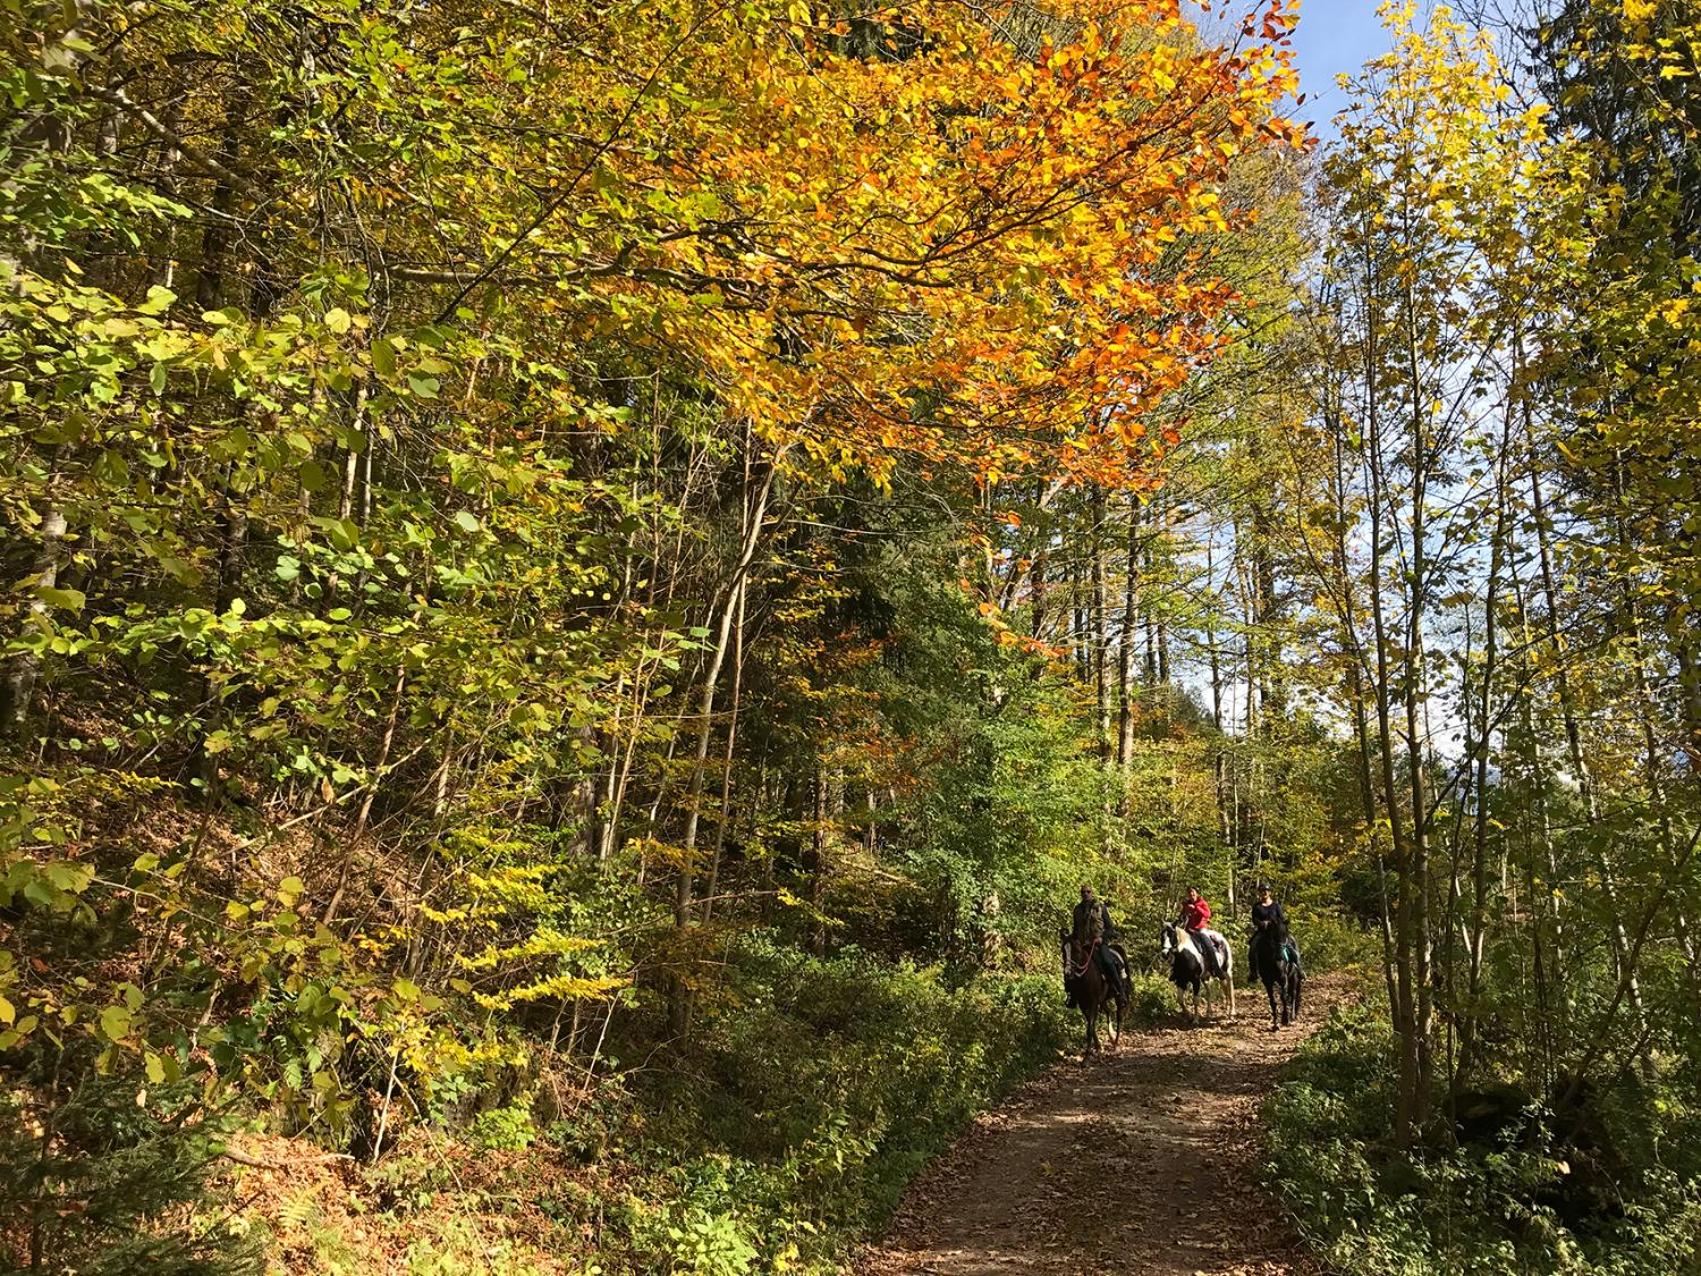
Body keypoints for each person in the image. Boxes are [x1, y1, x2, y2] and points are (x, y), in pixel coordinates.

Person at [1069, 885, 1130, 1005]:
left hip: (1099, 944)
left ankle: (1120, 991)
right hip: (1083, 946)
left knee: (1107, 961)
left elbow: (1110, 928)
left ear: (1092, 893)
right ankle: (1072, 996)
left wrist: (1102, 938)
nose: (1085, 894)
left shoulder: (1100, 908)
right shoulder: (1077, 910)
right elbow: (1076, 930)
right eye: (1083, 892)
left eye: (1088, 892)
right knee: (1070, 965)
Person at [1250, 882, 1300, 976]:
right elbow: (1254, 919)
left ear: (1269, 892)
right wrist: (1262, 923)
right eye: (1262, 891)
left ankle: (1299, 967)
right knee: (1253, 945)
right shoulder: (1257, 906)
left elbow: (1281, 918)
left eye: (1266, 890)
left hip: (1277, 932)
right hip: (1263, 932)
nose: (1264, 892)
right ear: (1259, 893)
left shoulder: (1276, 905)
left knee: (1291, 942)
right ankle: (1254, 972)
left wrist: (1275, 922)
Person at [1176, 885, 1223, 978]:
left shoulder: (1202, 903)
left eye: (1193, 892)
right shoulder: (1186, 904)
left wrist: (1196, 908)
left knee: (1208, 945)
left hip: (1201, 929)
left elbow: (1207, 914)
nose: (1191, 894)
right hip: (1189, 930)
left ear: (1197, 893)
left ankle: (1216, 968)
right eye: (1189, 892)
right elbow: (1181, 917)